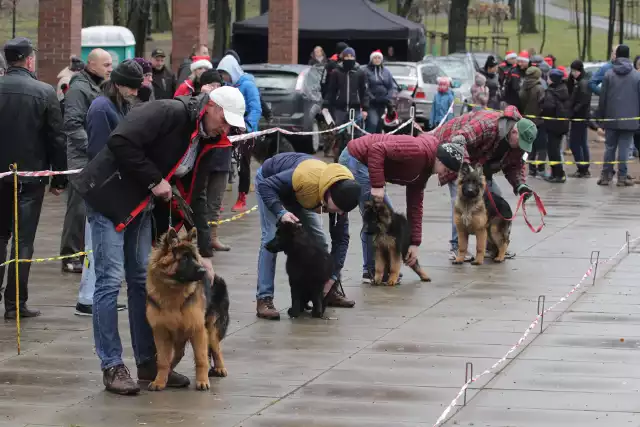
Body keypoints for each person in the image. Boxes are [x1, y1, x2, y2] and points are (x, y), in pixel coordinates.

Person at [73, 85, 246, 394]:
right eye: (226, 121)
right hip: (109, 198)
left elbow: (198, 196)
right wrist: (155, 179)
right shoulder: (170, 111)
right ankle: (112, 365)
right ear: (213, 108)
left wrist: (202, 251)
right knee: (110, 281)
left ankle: (147, 363)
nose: (227, 129)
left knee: (141, 279)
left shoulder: (209, 140)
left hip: (141, 205)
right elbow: (121, 141)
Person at [0, 37, 67, 319]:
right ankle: (16, 303)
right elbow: (56, 138)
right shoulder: (44, 92)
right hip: (30, 178)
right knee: (23, 241)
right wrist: (59, 177)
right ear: (29, 60)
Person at [75, 60, 144, 316]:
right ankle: (90, 297)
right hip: (104, 189)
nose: (135, 93)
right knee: (99, 252)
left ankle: (95, 295)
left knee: (103, 254)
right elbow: (100, 151)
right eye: (132, 87)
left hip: (113, 187)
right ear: (118, 84)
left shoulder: (116, 104)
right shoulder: (102, 108)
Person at [254, 153, 360, 320]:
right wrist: (281, 212)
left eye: (343, 210)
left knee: (320, 242)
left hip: (303, 195)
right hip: (271, 184)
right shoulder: (305, 178)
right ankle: (264, 298)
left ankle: (328, 292)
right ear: (329, 195)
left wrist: (332, 277)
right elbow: (266, 186)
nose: (339, 213)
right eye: (338, 208)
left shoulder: (342, 196)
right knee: (270, 239)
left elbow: (341, 240)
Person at [431, 107, 537, 260]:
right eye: (520, 142)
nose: (521, 147)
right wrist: (468, 172)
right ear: (514, 132)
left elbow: (515, 166)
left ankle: (493, 246)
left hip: (480, 165)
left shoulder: (518, 142)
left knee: (497, 199)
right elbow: (459, 138)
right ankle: (457, 248)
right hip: (453, 151)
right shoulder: (488, 124)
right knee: (462, 201)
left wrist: (520, 185)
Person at [338, 132, 444, 283]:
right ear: (438, 160)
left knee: (391, 222)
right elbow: (377, 149)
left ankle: (383, 269)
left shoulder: (424, 170)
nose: (443, 175)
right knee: (376, 219)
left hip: (368, 164)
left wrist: (415, 242)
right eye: (445, 169)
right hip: (356, 159)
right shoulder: (417, 150)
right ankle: (372, 270)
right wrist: (377, 185)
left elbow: (415, 206)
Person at [61, 48, 113, 274]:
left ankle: (85, 254)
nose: (110, 69)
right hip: (82, 159)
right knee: (78, 209)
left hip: (96, 157)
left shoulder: (98, 87)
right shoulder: (78, 89)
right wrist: (93, 150)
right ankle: (70, 255)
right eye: (106, 64)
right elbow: (72, 124)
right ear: (92, 66)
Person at [217, 53, 262, 212]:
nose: (224, 77)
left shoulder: (248, 85)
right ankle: (218, 199)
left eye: (225, 74)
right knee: (223, 163)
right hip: (229, 130)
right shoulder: (226, 85)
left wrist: (248, 126)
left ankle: (242, 197)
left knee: (244, 164)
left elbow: (256, 108)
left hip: (246, 132)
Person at [195, 69, 233, 251]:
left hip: (222, 155)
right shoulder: (197, 99)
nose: (216, 88)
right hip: (203, 157)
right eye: (212, 85)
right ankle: (196, 236)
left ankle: (213, 236)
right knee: (199, 197)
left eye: (219, 85)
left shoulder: (228, 101)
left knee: (216, 200)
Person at [597, 44, 640, 187]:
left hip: (611, 118)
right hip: (630, 119)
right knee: (624, 148)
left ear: (617, 55)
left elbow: (602, 98)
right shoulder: (636, 75)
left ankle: (606, 176)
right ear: (628, 56)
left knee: (609, 147)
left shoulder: (609, 74)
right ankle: (622, 177)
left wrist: (600, 118)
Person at [324, 47, 369, 157]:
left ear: (354, 57)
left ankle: (357, 157)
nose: (349, 58)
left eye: (351, 56)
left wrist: (365, 108)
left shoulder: (360, 73)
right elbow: (331, 91)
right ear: (342, 57)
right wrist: (326, 104)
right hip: (340, 108)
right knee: (339, 134)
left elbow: (364, 92)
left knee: (357, 134)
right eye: (347, 56)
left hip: (356, 108)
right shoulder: (336, 72)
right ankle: (339, 157)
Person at [541, 69, 571, 183]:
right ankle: (557, 173)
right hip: (562, 125)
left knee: (553, 151)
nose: (547, 80)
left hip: (553, 125)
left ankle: (557, 174)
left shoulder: (551, 91)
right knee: (556, 149)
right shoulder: (563, 89)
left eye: (549, 78)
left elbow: (548, 107)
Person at [519, 66, 546, 177]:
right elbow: (543, 104)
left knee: (529, 147)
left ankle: (530, 168)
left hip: (526, 121)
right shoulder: (539, 88)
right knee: (542, 147)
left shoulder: (523, 87)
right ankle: (541, 168)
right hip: (539, 121)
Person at [567, 59, 592, 178]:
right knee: (582, 143)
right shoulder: (582, 81)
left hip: (579, 117)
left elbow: (582, 101)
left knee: (575, 143)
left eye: (574, 71)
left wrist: (572, 112)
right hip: (582, 117)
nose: (573, 73)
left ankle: (582, 167)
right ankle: (584, 167)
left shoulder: (582, 83)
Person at [364, 50, 396, 133]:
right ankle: (367, 143)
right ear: (371, 59)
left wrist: (387, 97)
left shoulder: (386, 72)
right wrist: (373, 98)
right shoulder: (366, 71)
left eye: (379, 58)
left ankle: (377, 144)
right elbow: (365, 88)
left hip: (383, 103)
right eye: (375, 58)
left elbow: (391, 87)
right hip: (371, 103)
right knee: (373, 123)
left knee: (380, 124)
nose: (377, 59)